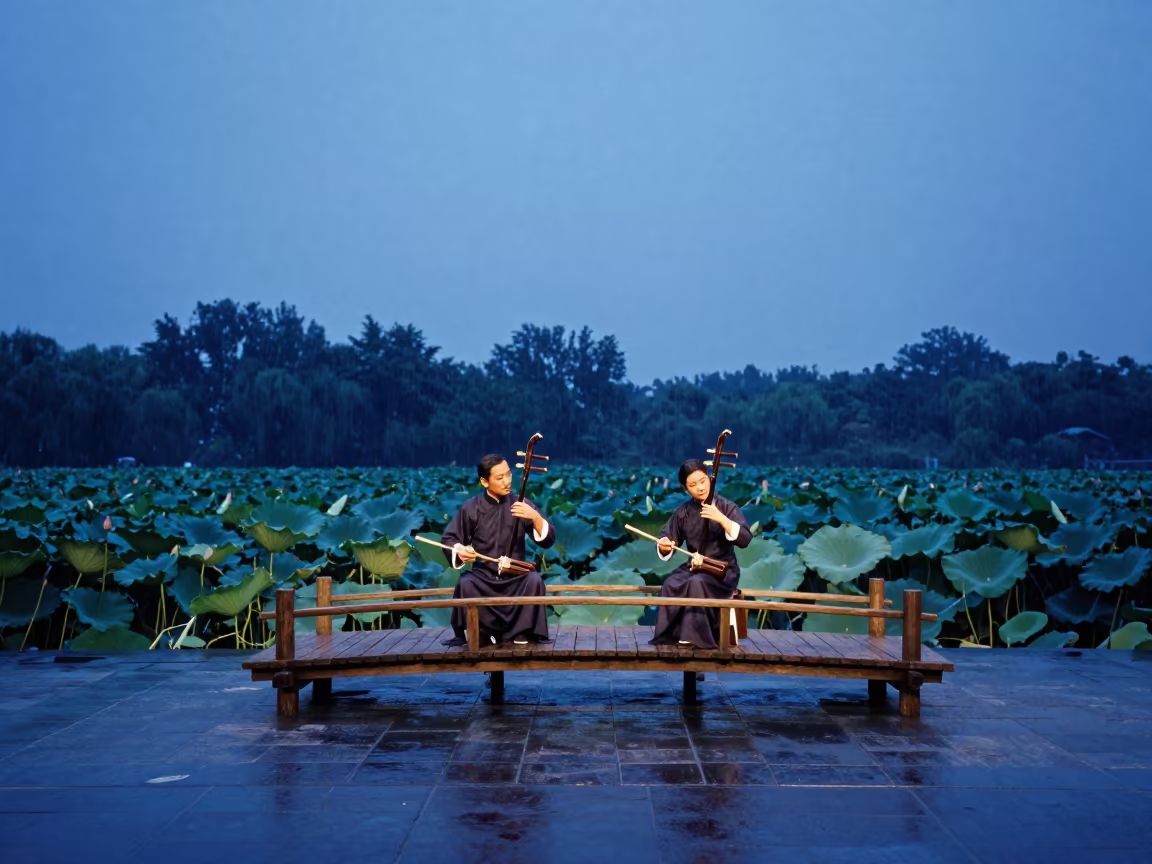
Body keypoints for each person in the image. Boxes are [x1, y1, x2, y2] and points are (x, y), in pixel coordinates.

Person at [441, 453, 553, 646]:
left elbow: (547, 541)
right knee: (466, 583)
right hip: (484, 578)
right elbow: (450, 538)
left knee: (534, 580)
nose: (507, 481)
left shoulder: (522, 504)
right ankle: (483, 632)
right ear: (485, 482)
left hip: (516, 577)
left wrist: (535, 517)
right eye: (499, 478)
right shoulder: (472, 508)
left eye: (508, 475)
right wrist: (459, 550)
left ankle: (521, 633)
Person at [650, 458, 752, 649]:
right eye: (693, 485)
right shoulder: (683, 511)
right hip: (695, 567)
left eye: (703, 481)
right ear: (685, 488)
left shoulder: (726, 506)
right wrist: (664, 545)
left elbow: (745, 538)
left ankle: (697, 638)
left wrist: (721, 518)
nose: (700, 488)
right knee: (671, 583)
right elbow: (667, 538)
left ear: (710, 479)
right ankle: (670, 635)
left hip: (723, 570)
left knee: (697, 583)